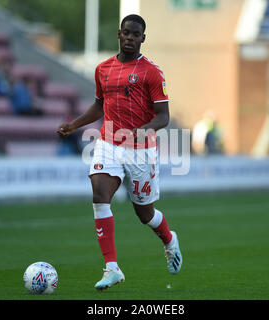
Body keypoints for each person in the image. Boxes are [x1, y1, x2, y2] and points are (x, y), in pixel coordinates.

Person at [57, 14, 182, 290]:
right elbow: (99, 105)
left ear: (142, 39)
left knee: (145, 214)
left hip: (140, 151)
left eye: (135, 34)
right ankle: (112, 267)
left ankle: (169, 239)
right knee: (100, 195)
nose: (129, 38)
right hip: (108, 144)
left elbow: (163, 117)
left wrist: (144, 129)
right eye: (126, 33)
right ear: (119, 33)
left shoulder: (152, 72)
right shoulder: (103, 69)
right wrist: (73, 125)